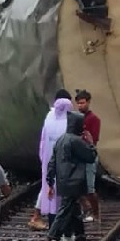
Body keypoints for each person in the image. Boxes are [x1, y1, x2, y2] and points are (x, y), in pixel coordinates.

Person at [42, 112, 97, 241]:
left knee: (75, 212)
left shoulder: (60, 140)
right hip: (75, 182)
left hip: (63, 182)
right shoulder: (76, 141)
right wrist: (90, 143)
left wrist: (50, 181)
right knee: (64, 211)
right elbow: (90, 157)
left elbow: (52, 162)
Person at [30, 92, 73, 231]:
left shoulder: (49, 117)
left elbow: (43, 141)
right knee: (62, 191)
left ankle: (50, 222)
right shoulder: (69, 120)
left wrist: (43, 158)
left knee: (49, 187)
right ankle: (61, 226)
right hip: (63, 160)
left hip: (48, 159)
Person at [75, 89, 102, 221]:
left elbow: (94, 139)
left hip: (89, 155)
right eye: (78, 103)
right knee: (76, 185)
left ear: (88, 102)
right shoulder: (76, 118)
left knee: (90, 187)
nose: (80, 106)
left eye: (82, 103)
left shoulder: (94, 119)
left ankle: (96, 213)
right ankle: (86, 208)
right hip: (78, 156)